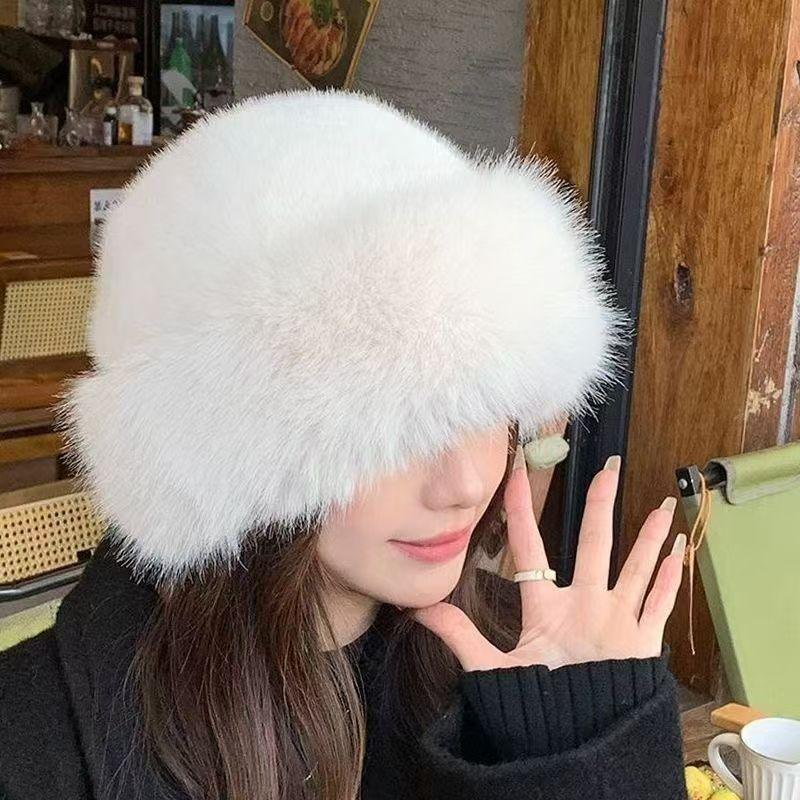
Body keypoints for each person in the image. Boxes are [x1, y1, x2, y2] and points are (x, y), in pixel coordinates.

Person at [0, 88, 688, 800]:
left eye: (480, 404)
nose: (462, 482)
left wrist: (586, 752)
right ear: (234, 450)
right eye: (391, 425)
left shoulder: (525, 663)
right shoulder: (33, 747)